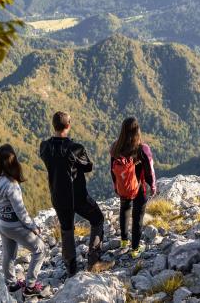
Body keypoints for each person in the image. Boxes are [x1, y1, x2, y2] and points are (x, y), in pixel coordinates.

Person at [39, 111, 114, 275]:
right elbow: (88, 166)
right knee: (97, 219)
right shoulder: (75, 148)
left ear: (54, 126)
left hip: (58, 196)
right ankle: (94, 261)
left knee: (66, 230)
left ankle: (71, 269)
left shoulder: (44, 147)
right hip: (77, 196)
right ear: (68, 125)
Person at [0, 144, 46, 298]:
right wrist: (33, 227)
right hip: (14, 225)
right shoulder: (11, 185)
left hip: (0, 222)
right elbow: (20, 211)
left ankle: (12, 285)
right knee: (40, 250)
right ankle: (30, 287)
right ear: (13, 162)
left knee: (9, 254)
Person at [110, 117, 157, 259]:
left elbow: (112, 169)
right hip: (139, 188)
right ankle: (135, 249)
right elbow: (149, 171)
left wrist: (116, 186)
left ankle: (124, 241)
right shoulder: (142, 149)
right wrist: (153, 186)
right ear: (137, 130)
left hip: (123, 186)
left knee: (124, 209)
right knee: (137, 217)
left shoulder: (115, 148)